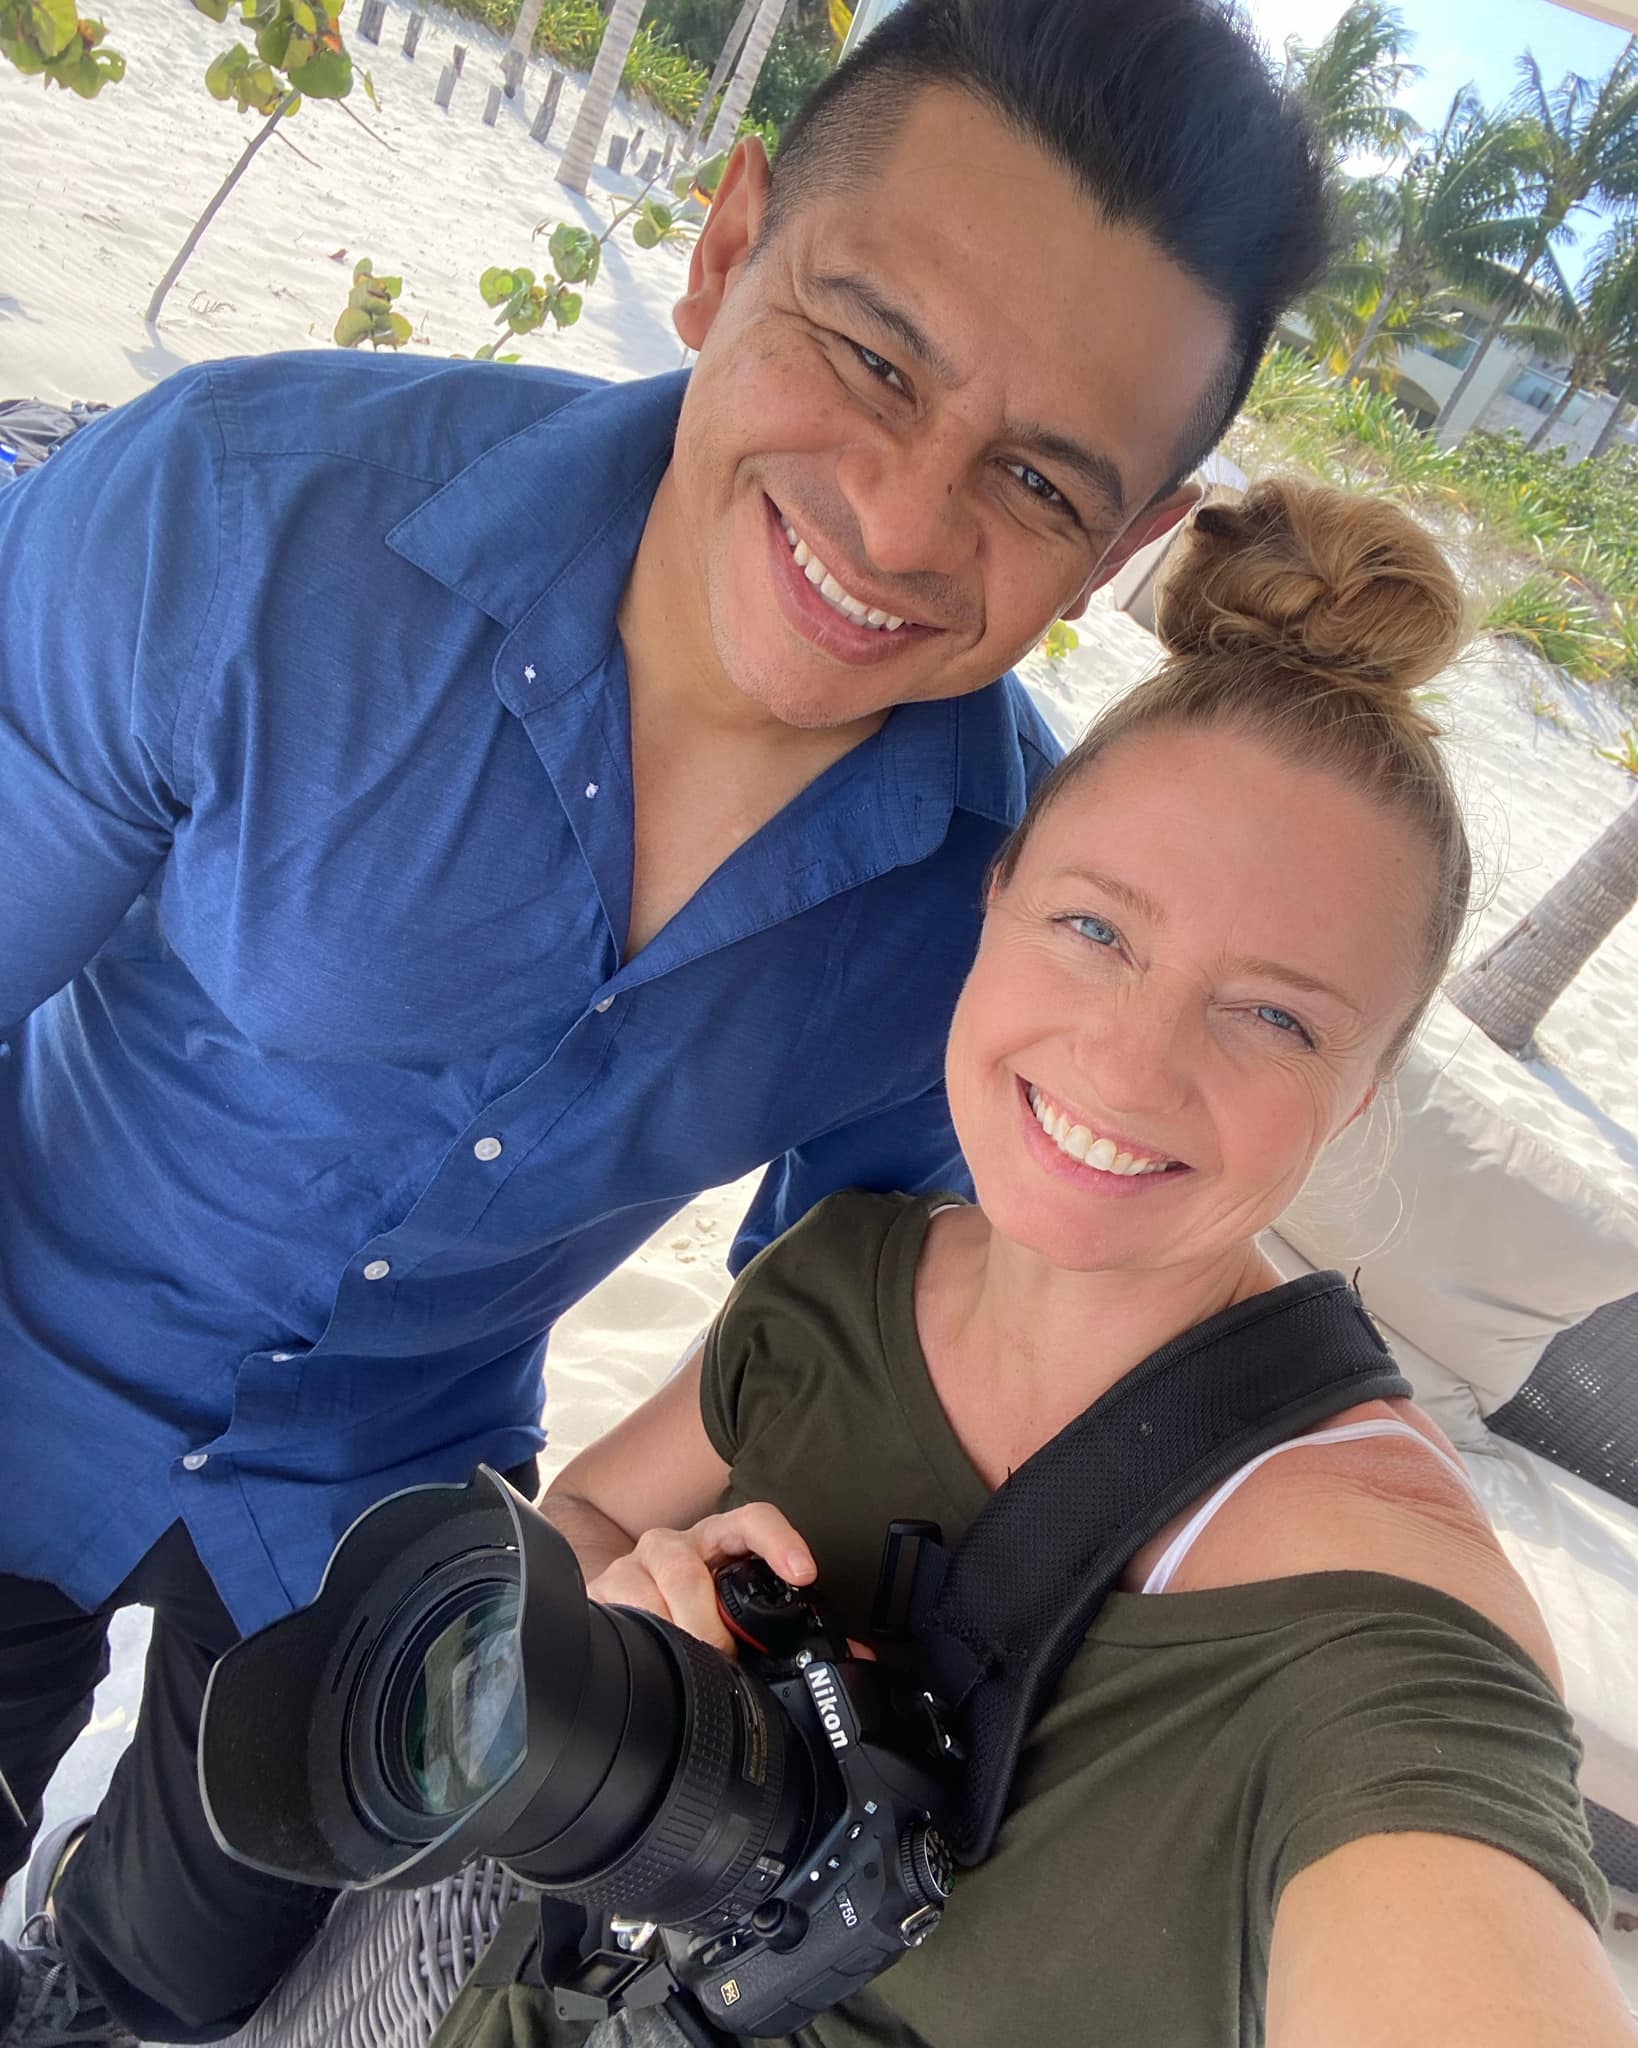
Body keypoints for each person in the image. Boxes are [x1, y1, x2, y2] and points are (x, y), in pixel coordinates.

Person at [0, 2, 1330, 2042]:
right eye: (872, 354)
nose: (898, 521)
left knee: (159, 1989)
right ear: (725, 250)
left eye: (1041, 478)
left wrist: (691, 1553)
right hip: (23, 1327)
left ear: (1130, 542)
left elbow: (882, 1326)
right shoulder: (240, 521)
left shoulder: (1013, 915)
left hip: (389, 1520)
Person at [440, 481, 1634, 2048]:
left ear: (1364, 1089)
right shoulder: (843, 1273)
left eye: (1273, 1013)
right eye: (1094, 929)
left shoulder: (1373, 1628)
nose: (1130, 1065)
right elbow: (588, 1507)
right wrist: (637, 1633)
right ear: (992, 905)